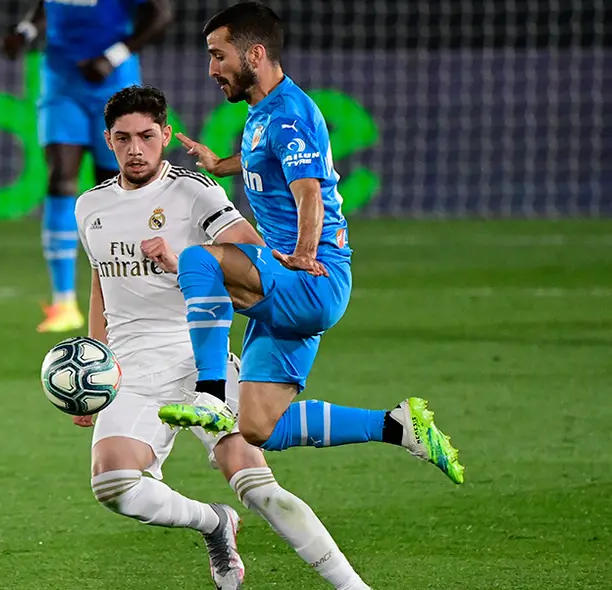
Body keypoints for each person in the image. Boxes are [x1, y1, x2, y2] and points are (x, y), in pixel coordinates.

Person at [75, 85, 372, 590]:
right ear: (108, 141)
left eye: (147, 136)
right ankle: (215, 523)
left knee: (260, 488)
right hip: (132, 369)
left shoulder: (196, 192)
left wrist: (181, 261)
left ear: (166, 136)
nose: (136, 149)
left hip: (200, 360)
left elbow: (251, 252)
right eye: (123, 138)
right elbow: (102, 284)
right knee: (113, 484)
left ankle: (352, 586)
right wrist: (94, 364)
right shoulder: (90, 206)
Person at [155, 2, 464, 486]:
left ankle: (210, 394)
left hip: (307, 278)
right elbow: (269, 158)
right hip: (297, 282)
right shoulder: (266, 110)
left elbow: (309, 192)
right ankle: (398, 426)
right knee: (259, 427)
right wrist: (221, 165)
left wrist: (304, 253)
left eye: (219, 56)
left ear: (254, 54)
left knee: (198, 263)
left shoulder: (291, 115)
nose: (212, 69)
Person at [1, 0, 172, 333]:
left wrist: (115, 55)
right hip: (61, 81)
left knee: (116, 189)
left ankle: (128, 295)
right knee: (60, 179)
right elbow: (46, 7)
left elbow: (161, 15)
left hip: (114, 85)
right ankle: (63, 302)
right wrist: (26, 31)